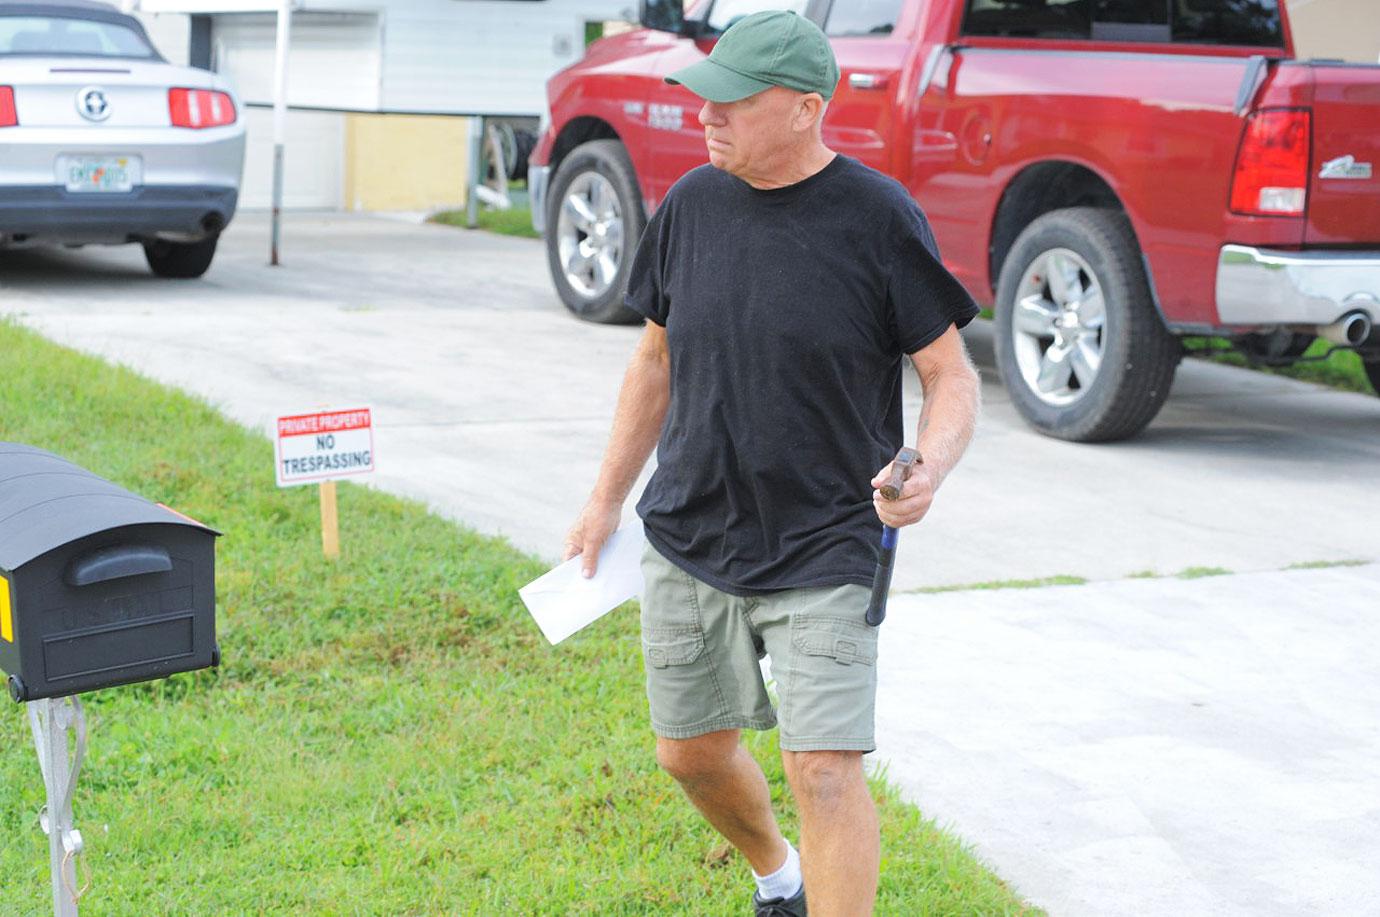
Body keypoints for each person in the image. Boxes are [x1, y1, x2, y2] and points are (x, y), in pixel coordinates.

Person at [562, 10, 982, 915]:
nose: (706, 117)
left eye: (732, 103)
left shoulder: (877, 218)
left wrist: (928, 464)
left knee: (824, 771)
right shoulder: (689, 206)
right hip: (690, 530)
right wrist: (605, 502)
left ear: (805, 109)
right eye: (704, 98)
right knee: (690, 753)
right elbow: (655, 359)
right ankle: (776, 875)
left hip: (828, 536)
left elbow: (950, 376)